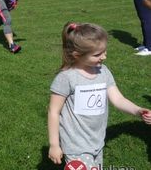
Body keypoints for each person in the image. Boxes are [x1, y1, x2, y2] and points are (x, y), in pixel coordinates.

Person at [48, 22, 151, 168]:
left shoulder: (103, 71)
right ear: (77, 55)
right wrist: (54, 144)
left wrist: (137, 110)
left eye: (104, 51)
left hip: (96, 141)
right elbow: (54, 111)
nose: (104, 57)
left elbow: (118, 99)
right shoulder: (66, 78)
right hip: (75, 144)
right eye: (97, 54)